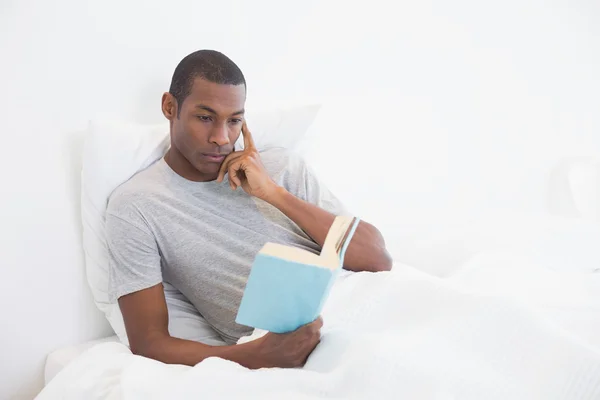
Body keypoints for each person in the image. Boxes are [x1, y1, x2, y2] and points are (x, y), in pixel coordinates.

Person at [106, 49, 393, 370]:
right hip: (288, 346)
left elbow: (377, 259)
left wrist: (273, 193)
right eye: (205, 117)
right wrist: (254, 356)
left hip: (369, 309)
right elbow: (148, 342)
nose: (221, 138)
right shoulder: (137, 206)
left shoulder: (279, 167)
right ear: (169, 107)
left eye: (234, 121)